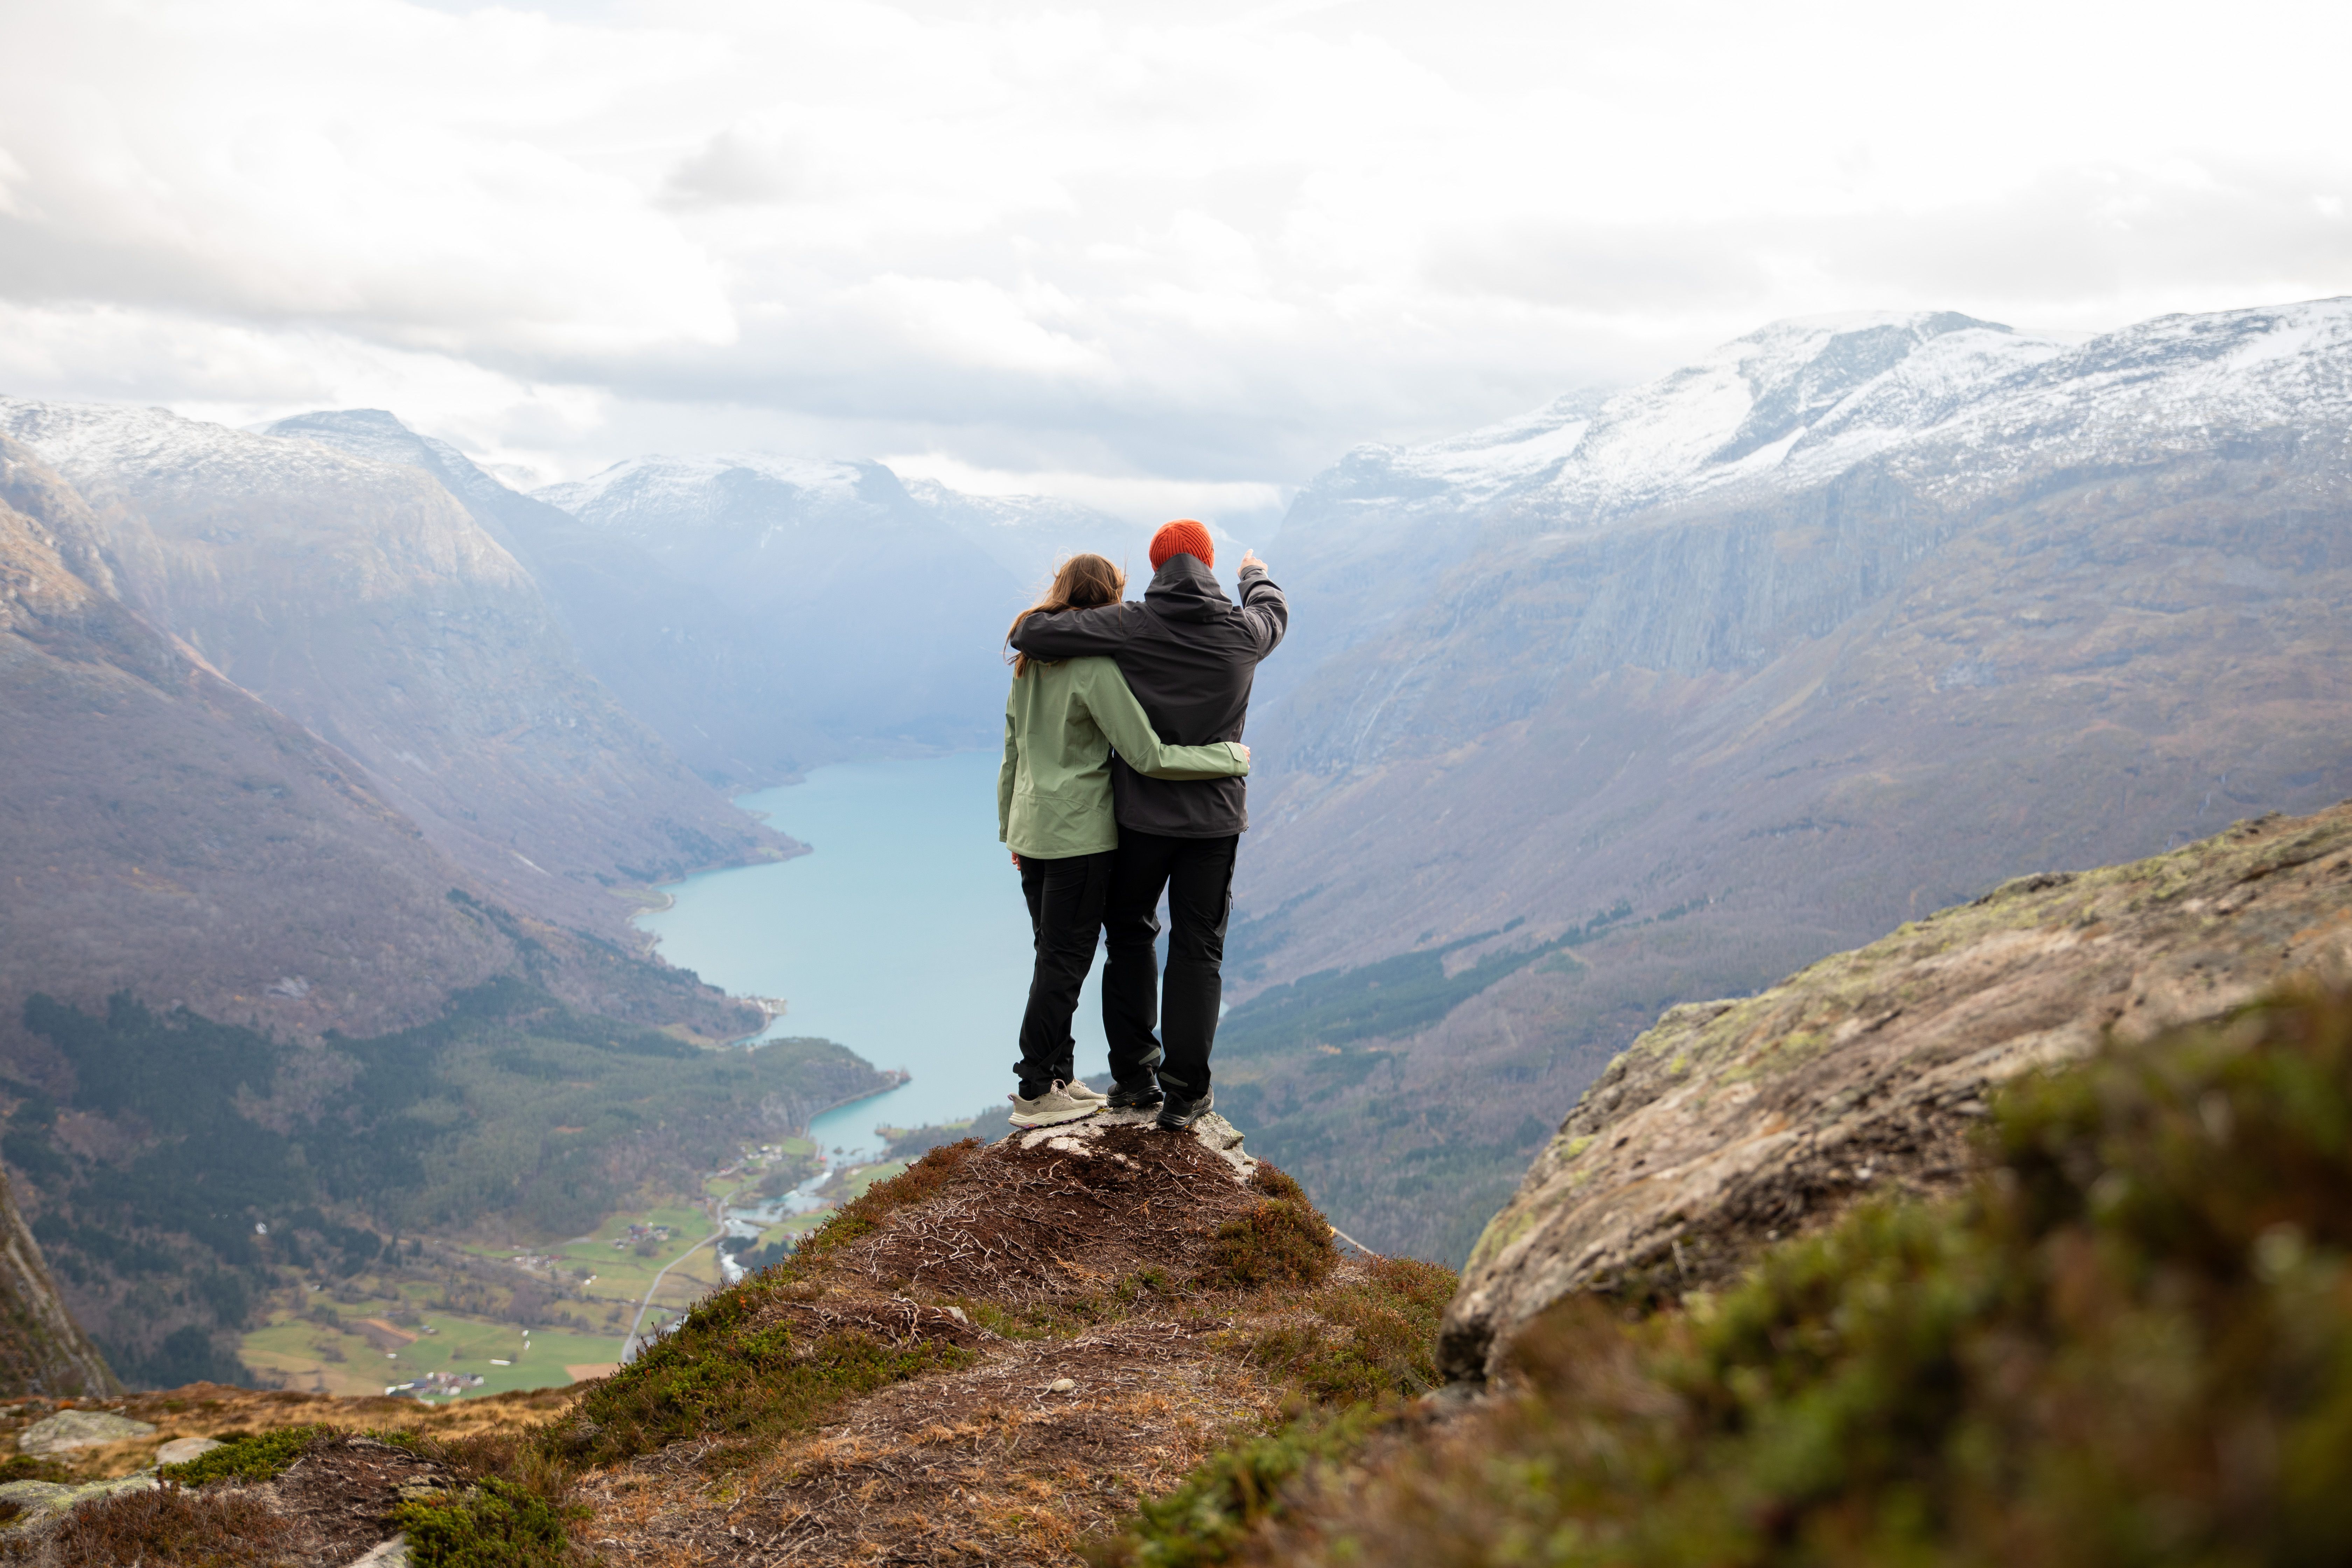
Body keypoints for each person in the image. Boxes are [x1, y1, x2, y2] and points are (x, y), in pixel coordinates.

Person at [1006, 520, 1286, 1131]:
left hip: (1138, 820)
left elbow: (1033, 633)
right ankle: (1186, 1095)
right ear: (1208, 565)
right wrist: (1254, 575)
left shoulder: (1130, 624)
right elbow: (1274, 611)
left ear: (1158, 568)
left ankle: (1134, 1081)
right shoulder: (1246, 631)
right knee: (1198, 949)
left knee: (1130, 938)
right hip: (1213, 821)